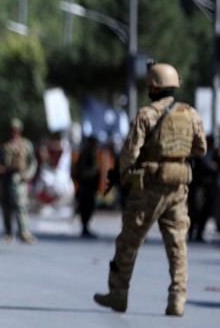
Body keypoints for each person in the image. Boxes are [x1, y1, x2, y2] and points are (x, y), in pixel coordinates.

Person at [93, 62, 207, 316]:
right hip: (178, 188)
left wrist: (124, 174)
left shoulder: (146, 115)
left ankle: (118, 293)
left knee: (129, 241)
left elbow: (129, 153)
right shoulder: (191, 113)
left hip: (148, 188)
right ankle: (177, 298)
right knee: (177, 244)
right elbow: (201, 149)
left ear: (153, 87)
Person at [0, 118, 38, 244]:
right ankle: (9, 233)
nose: (13, 132)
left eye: (16, 130)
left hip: (19, 178)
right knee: (6, 207)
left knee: (21, 206)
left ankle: (24, 232)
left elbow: (32, 163)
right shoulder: (5, 145)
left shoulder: (26, 145)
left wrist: (27, 175)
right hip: (6, 179)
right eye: (12, 129)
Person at [73, 136, 100, 238]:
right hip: (86, 185)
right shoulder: (86, 153)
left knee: (89, 207)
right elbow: (83, 170)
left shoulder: (92, 153)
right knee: (86, 207)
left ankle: (86, 227)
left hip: (90, 185)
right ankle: (85, 228)